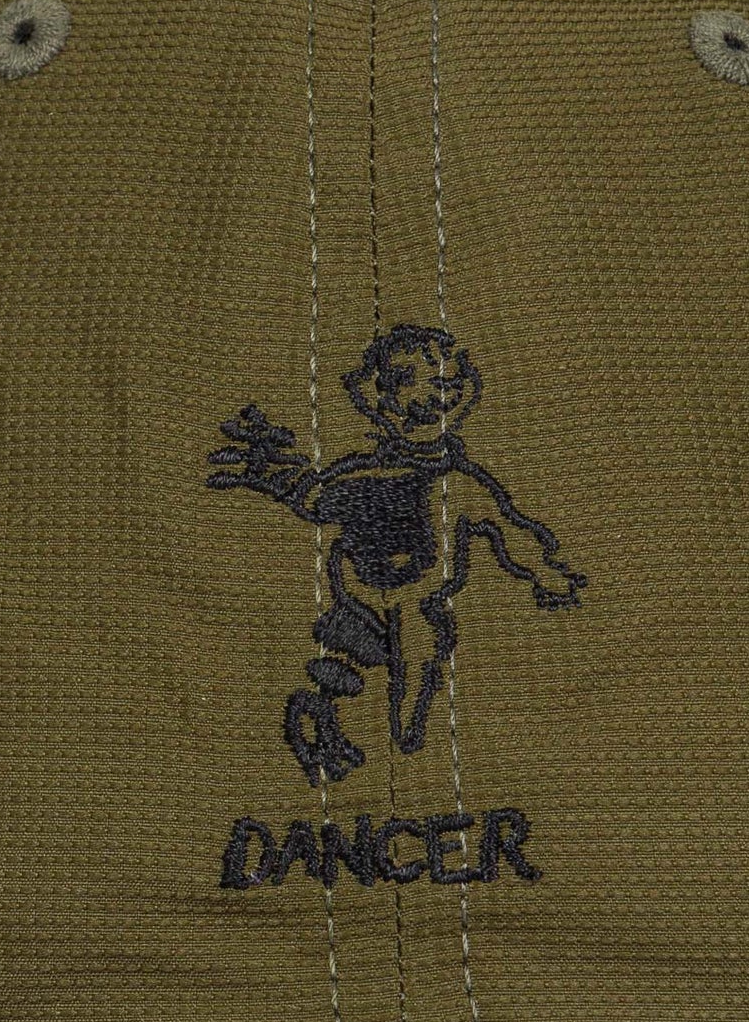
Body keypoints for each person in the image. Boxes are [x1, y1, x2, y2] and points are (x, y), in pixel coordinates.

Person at [208, 323, 586, 783]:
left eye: (444, 380)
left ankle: (358, 731)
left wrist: (545, 572)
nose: (435, 393)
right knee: (384, 654)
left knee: (382, 655)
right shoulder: (379, 478)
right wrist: (269, 469)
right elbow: (313, 498)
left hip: (398, 596)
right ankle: (382, 740)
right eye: (410, 381)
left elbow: (511, 533)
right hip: (373, 593)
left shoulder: (454, 485)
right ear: (378, 399)